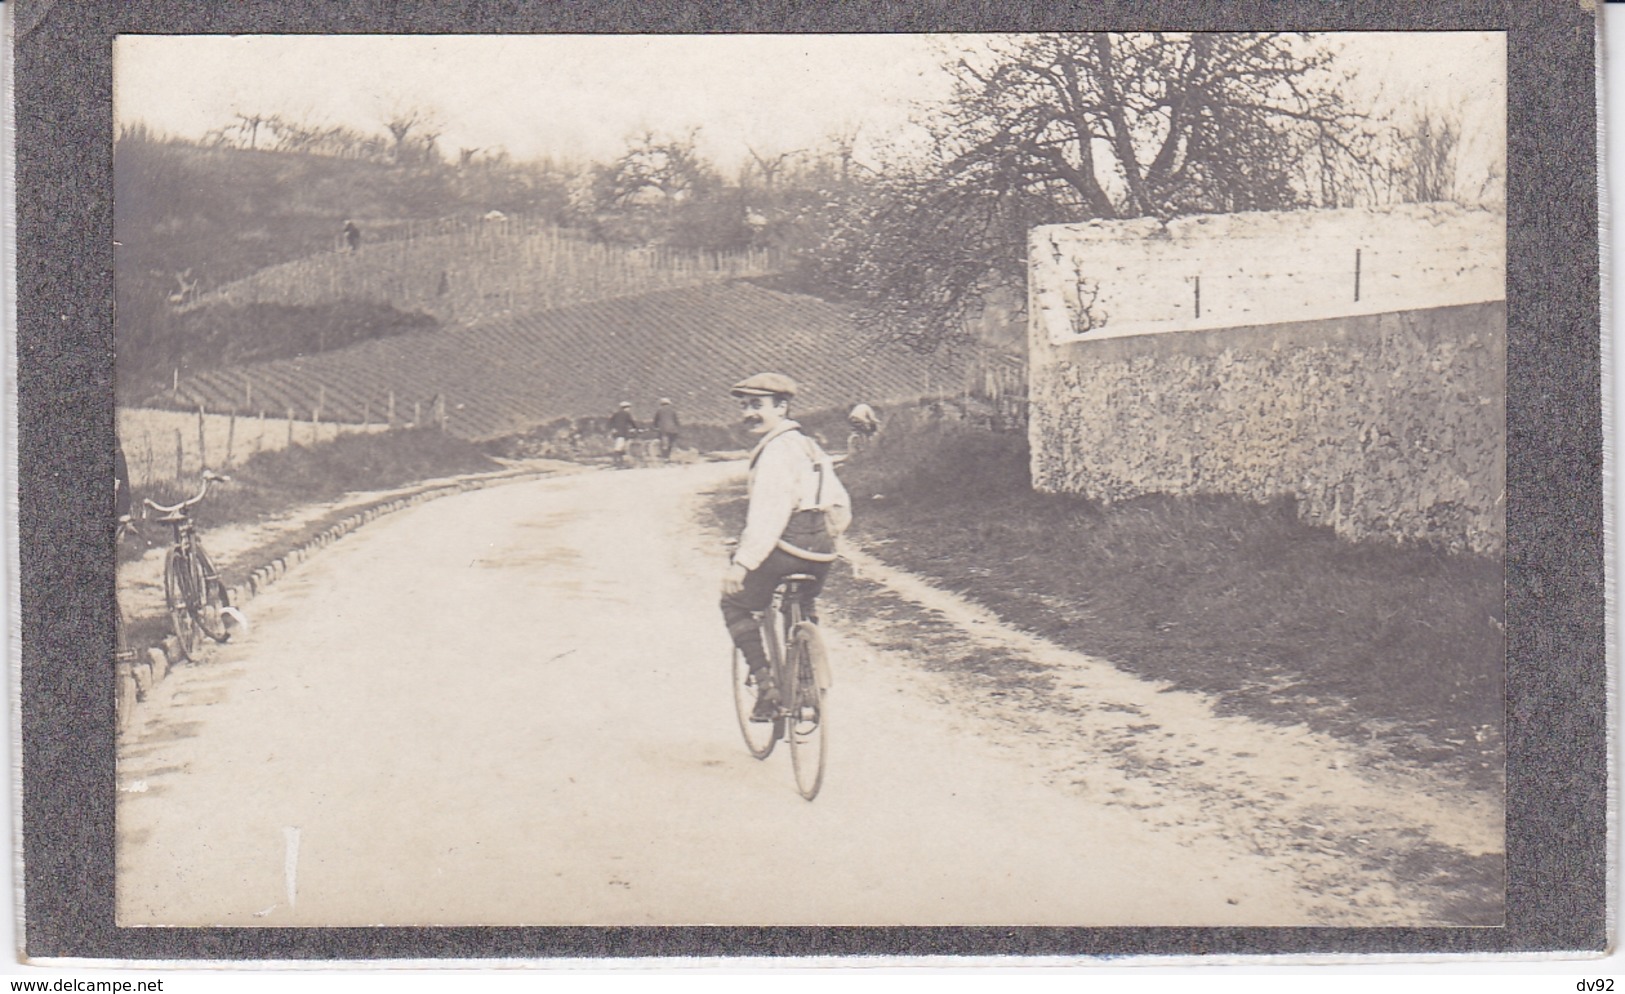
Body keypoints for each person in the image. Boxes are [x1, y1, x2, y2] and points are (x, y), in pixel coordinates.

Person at [720, 373, 851, 721]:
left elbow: (768, 517)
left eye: (757, 405)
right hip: (821, 552)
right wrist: (831, 535)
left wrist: (742, 564)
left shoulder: (776, 452)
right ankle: (807, 677)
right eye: (745, 405)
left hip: (786, 548)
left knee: (734, 602)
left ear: (782, 406)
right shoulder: (808, 444)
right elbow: (839, 502)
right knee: (802, 601)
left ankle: (766, 688)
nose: (749, 412)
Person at [607, 400, 638, 468]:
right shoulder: (626, 414)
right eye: (629, 407)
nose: (629, 409)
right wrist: (636, 428)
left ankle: (619, 462)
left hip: (616, 433)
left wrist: (613, 429)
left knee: (619, 447)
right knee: (618, 448)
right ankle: (618, 463)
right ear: (626, 407)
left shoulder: (616, 414)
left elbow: (610, 422)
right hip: (622, 433)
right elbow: (631, 422)